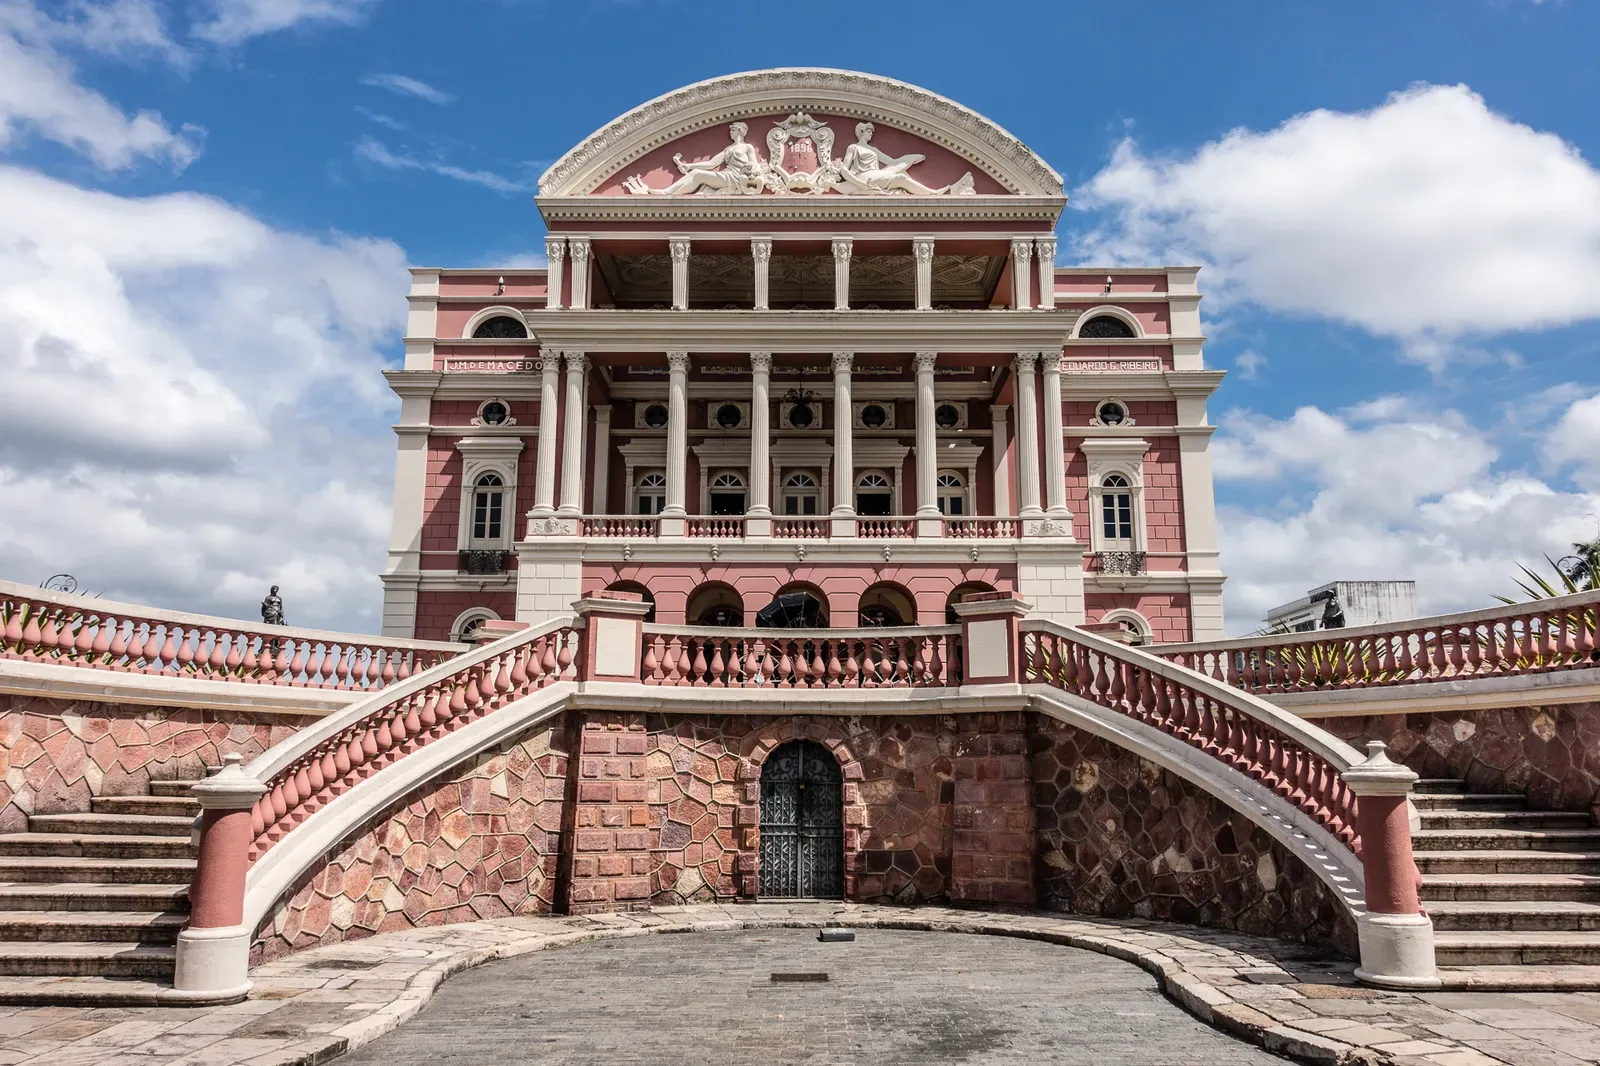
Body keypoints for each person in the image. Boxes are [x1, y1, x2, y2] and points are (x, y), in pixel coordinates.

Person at [624, 122, 765, 195]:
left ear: (740, 131)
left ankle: (669, 193)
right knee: (696, 173)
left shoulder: (748, 147)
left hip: (735, 178)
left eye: (733, 130)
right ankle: (668, 192)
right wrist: (689, 166)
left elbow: (754, 166)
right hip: (726, 175)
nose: (730, 132)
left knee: (698, 175)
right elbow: (711, 164)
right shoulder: (727, 149)